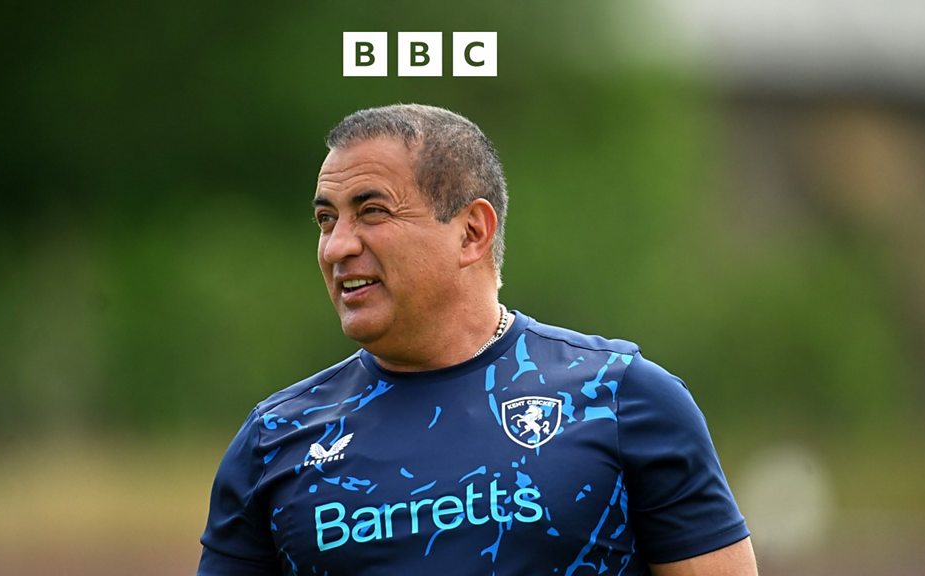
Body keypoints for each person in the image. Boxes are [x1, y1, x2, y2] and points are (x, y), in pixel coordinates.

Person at [198, 104, 758, 575]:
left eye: (371, 212)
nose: (337, 246)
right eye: (326, 220)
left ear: (471, 233)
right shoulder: (275, 439)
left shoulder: (621, 399)